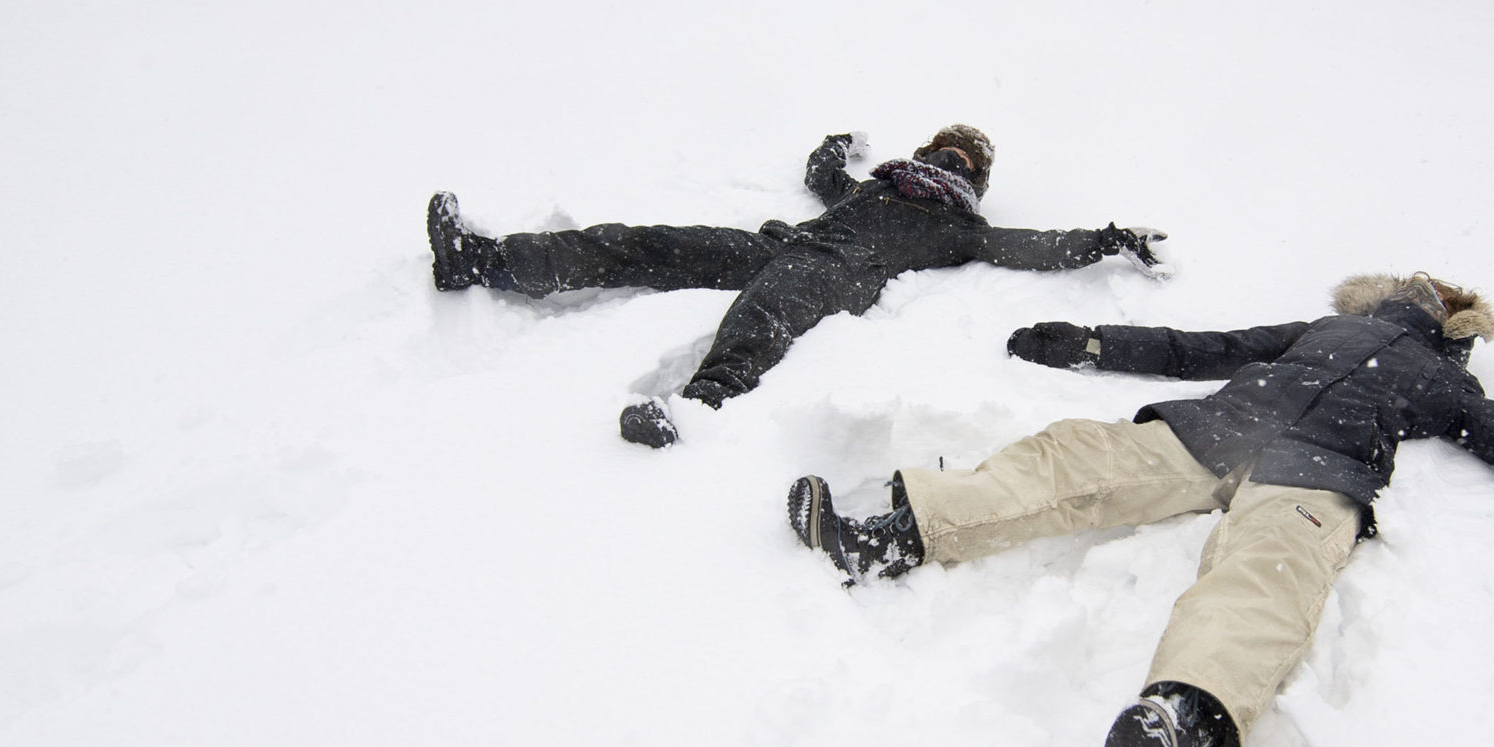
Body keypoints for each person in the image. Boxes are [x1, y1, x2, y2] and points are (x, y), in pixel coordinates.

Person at [785, 273, 1494, 747]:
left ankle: (1180, 717)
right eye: (1413, 284)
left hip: (1317, 478)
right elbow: (1200, 347)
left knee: (1265, 581)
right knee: (1069, 458)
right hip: (1209, 433)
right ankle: (889, 535)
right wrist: (1090, 344)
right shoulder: (1322, 331)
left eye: (1436, 295)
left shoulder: (1446, 383)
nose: (1419, 293)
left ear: (1453, 324)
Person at [428, 126, 1165, 446]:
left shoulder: (959, 229)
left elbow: (1036, 247)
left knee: (765, 314)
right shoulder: (875, 187)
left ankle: (696, 409)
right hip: (782, 243)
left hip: (838, 272)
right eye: (942, 146)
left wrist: (1106, 239)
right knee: (648, 244)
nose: (948, 159)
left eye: (963, 158)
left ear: (975, 181)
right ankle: (486, 260)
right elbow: (821, 177)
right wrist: (837, 146)